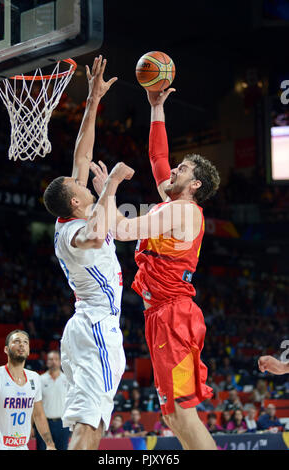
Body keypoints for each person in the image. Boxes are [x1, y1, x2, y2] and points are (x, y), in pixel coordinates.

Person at [90, 87, 220, 450]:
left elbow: (123, 230)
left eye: (183, 169)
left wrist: (109, 190)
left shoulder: (181, 210)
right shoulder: (175, 203)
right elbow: (157, 156)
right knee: (170, 415)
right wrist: (157, 108)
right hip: (161, 315)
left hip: (174, 317)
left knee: (180, 413)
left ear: (194, 185)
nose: (173, 169)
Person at [43, 55, 134, 450]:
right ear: (77, 203)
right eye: (77, 186)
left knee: (88, 425)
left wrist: (93, 100)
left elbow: (82, 153)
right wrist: (111, 186)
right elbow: (97, 238)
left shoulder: (75, 216)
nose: (81, 180)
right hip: (96, 328)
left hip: (88, 328)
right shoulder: (74, 233)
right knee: (90, 428)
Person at [0, 330, 56, 450]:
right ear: (6, 349)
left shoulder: (34, 377)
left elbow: (39, 414)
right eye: (16, 341)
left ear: (29, 350)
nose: (22, 344)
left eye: (25, 342)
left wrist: (50, 444)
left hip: (22, 446)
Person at [35, 350, 70, 450]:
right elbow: (35, 405)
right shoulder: (40, 379)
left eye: (56, 359)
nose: (53, 361)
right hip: (44, 423)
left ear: (60, 361)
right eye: (51, 359)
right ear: (47, 362)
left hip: (63, 424)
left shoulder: (67, 379)